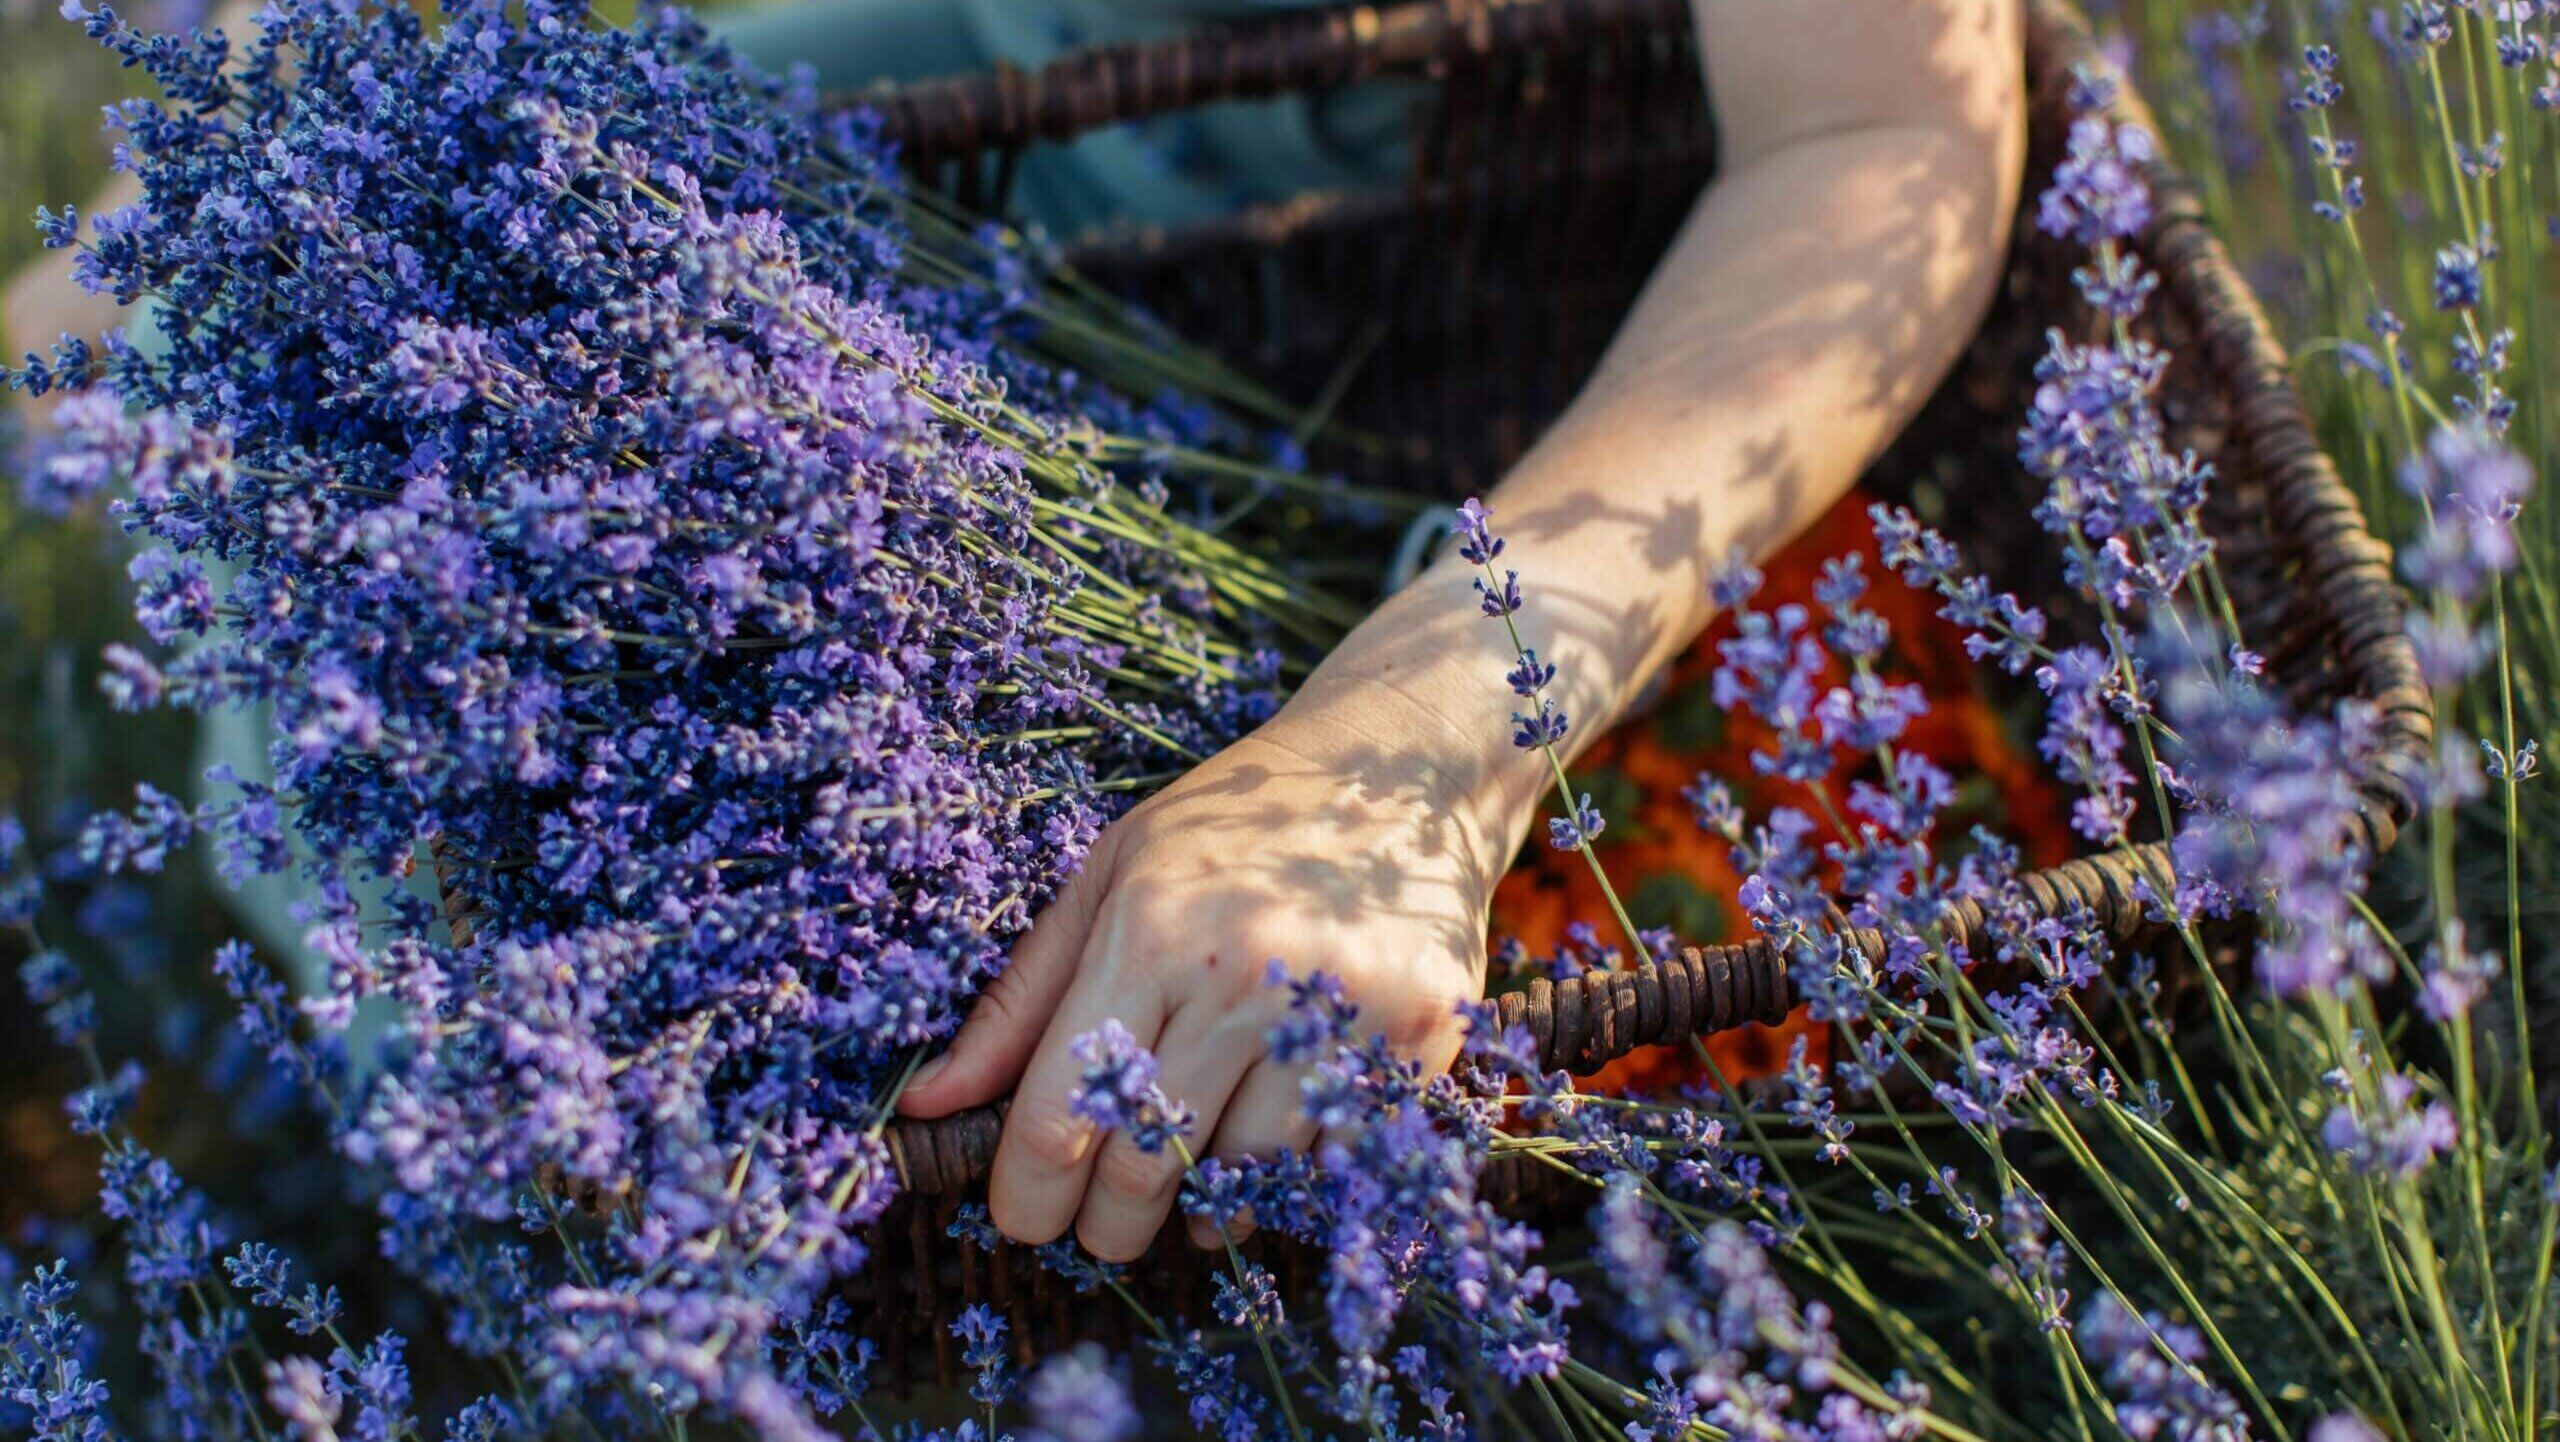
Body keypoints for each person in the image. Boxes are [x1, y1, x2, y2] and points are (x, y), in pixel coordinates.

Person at [6, 0, 2024, 1266]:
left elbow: (1878, 129)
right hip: (904, 133)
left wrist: (1397, 751)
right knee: (316, 457)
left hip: (1486, 302)